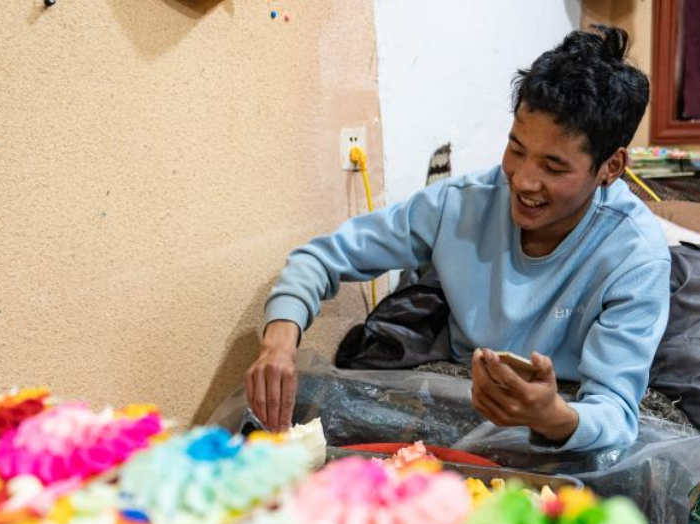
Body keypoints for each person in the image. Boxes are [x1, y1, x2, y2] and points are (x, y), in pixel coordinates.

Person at [245, 25, 671, 454]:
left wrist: (550, 415)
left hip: (566, 411)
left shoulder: (634, 255)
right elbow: (321, 258)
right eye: (516, 149)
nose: (523, 180)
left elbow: (615, 411)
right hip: (460, 389)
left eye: (554, 167)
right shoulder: (463, 204)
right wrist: (280, 337)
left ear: (611, 167)